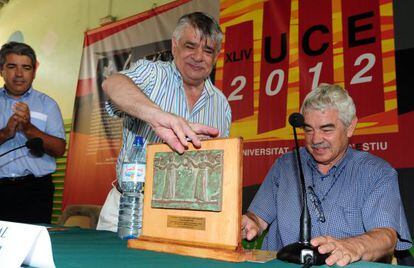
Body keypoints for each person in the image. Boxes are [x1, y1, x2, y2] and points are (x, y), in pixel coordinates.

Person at [242, 84, 412, 266]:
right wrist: (250, 224)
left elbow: (386, 236)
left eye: (326, 129)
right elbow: (257, 218)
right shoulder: (285, 165)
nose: (315, 139)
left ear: (350, 127)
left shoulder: (376, 173)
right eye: (308, 129)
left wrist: (354, 246)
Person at [97, 12, 231, 231]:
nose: (198, 57)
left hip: (186, 219)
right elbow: (112, 83)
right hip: (131, 208)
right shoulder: (152, 74)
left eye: (207, 50)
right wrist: (157, 115)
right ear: (174, 46)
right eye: (190, 46)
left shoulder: (222, 105)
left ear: (216, 56)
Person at [0, 42, 66, 224]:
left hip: (36, 190)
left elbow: (60, 149)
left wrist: (29, 129)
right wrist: (6, 132)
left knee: (33, 249)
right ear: (1, 70)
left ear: (34, 71)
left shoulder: (48, 104)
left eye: (26, 68)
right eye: (12, 66)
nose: (19, 74)